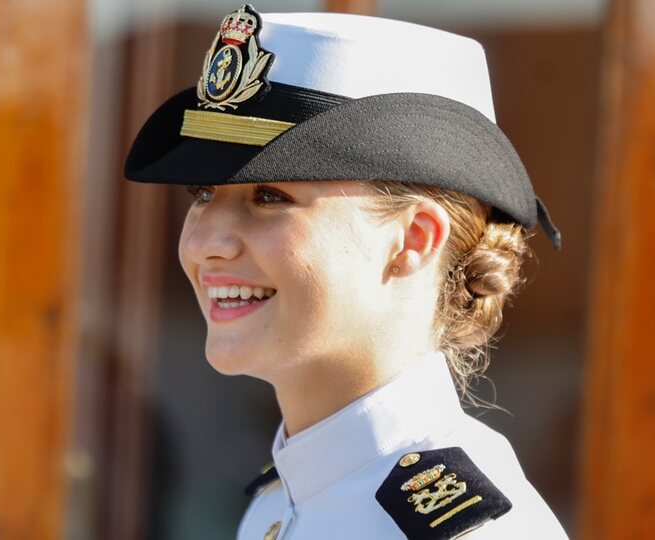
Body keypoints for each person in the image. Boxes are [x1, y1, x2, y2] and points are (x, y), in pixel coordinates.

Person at [125, 5, 567, 539]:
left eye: (269, 196)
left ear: (412, 239)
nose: (203, 243)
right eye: (202, 194)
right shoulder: (280, 500)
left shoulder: (464, 532)